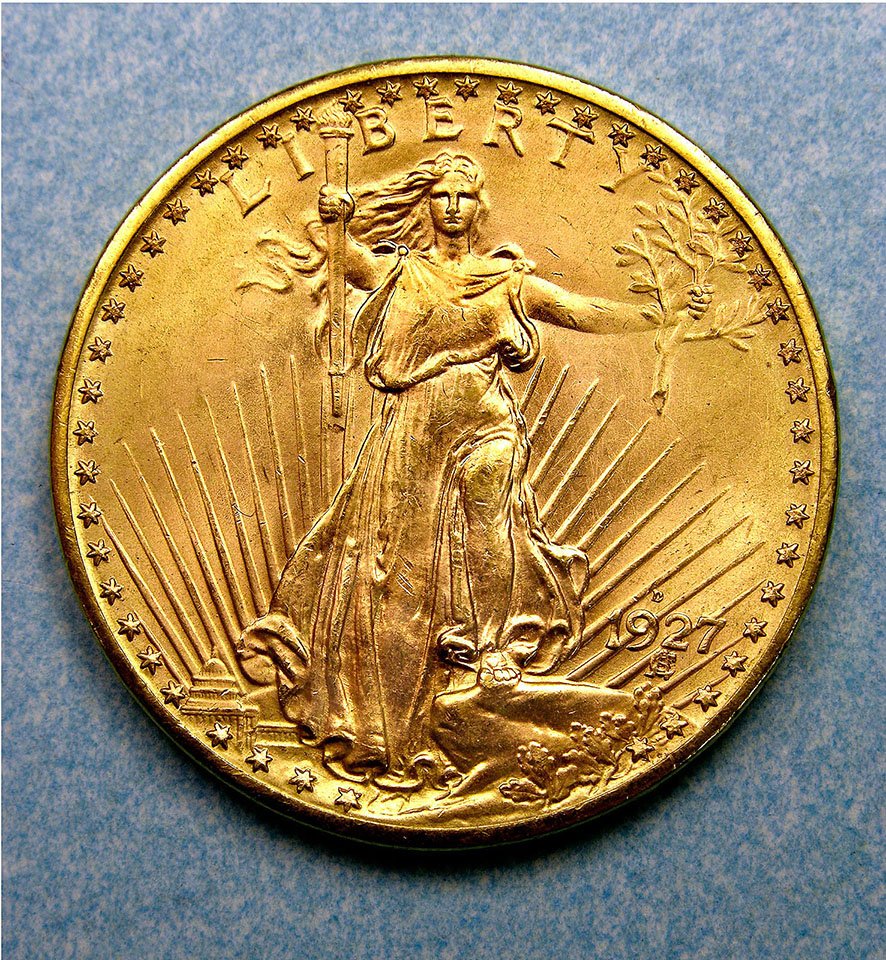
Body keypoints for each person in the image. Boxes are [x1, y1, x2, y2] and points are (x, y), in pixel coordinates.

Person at [236, 152, 705, 789]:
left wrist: (662, 314)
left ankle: (494, 649)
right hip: (412, 431)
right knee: (395, 567)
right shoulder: (403, 270)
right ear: (426, 204)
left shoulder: (507, 281)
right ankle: (398, 714)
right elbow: (353, 263)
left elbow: (578, 311)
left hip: (487, 421)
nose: (453, 207)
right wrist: (334, 224)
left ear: (479, 207)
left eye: (464, 196)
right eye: (442, 195)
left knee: (491, 528)